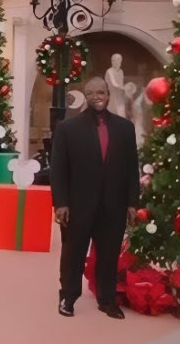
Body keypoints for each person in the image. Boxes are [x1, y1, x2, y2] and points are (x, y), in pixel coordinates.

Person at [51, 77, 140, 319]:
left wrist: (132, 201)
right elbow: (58, 169)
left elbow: (132, 167)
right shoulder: (67, 129)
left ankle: (107, 300)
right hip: (78, 206)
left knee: (109, 255)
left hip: (114, 205)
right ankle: (68, 298)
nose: (96, 96)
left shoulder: (125, 128)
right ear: (85, 96)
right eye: (90, 93)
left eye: (100, 92)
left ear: (108, 94)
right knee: (73, 254)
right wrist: (61, 203)